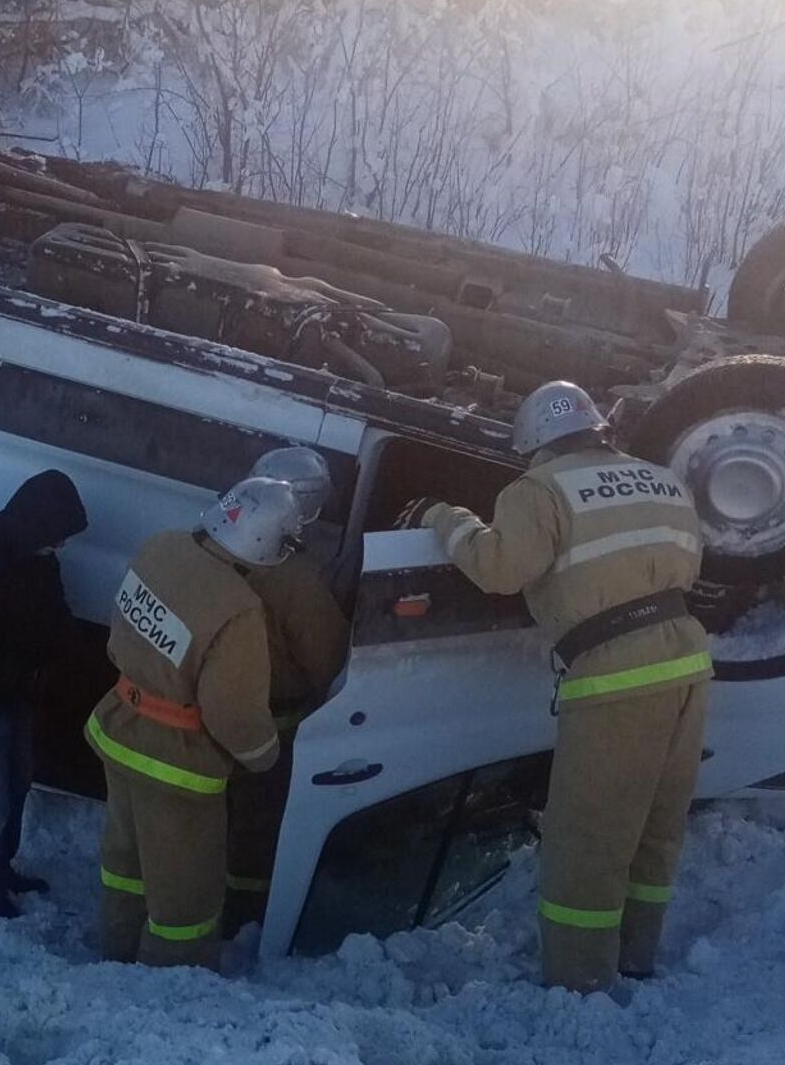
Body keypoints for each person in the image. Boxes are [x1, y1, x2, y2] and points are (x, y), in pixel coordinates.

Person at [403, 381, 712, 993]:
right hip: (688, 665)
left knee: (586, 842)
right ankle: (635, 958)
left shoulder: (538, 490)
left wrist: (444, 518)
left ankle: (579, 987)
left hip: (616, 676)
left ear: (536, 444)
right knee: (655, 825)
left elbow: (499, 569)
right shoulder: (661, 479)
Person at [87, 477, 295, 970]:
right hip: (175, 768)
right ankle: (169, 985)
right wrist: (265, 755)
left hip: (118, 730)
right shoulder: (239, 609)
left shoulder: (160, 547)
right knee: (185, 898)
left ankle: (114, 953)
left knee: (126, 862)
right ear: (270, 543)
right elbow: (233, 710)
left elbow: (120, 635)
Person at [0, 469, 88, 917]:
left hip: (17, 693)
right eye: (58, 535)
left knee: (16, 784)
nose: (62, 545)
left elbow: (51, 613)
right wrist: (31, 665)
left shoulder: (35, 554)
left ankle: (2, 866)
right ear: (39, 524)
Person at [223, 447, 349, 933]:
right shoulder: (296, 579)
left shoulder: (211, 543)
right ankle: (243, 911)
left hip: (211, 708)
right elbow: (327, 657)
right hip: (273, 719)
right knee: (258, 820)